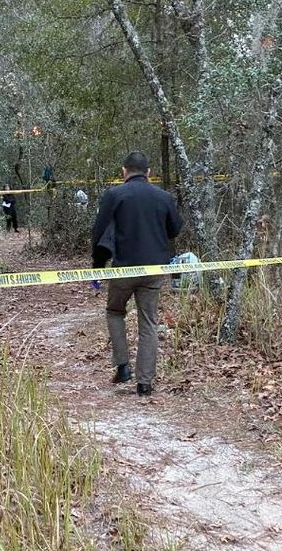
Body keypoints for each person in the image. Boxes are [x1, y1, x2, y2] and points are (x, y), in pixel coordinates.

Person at [91, 151, 182, 396]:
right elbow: (175, 229)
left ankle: (122, 366)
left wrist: (97, 268)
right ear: (149, 173)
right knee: (149, 323)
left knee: (114, 312)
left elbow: (98, 232)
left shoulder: (114, 195)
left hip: (123, 268)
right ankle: (145, 383)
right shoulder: (163, 196)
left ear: (124, 172)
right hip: (154, 270)